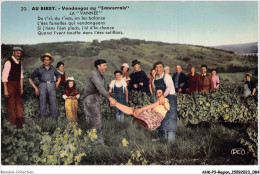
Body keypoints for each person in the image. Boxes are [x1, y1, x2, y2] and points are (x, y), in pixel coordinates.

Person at [81, 59, 116, 144]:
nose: (105, 67)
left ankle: (94, 139)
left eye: (105, 65)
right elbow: (100, 88)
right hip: (89, 99)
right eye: (104, 65)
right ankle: (97, 140)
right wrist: (110, 98)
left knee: (95, 119)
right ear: (98, 66)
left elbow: (101, 89)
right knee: (95, 119)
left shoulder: (100, 75)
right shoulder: (94, 74)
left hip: (94, 98)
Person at [28, 53, 61, 118]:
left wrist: (57, 82)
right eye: (45, 60)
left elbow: (58, 75)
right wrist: (36, 88)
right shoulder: (39, 69)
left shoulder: (53, 68)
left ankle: (53, 119)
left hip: (51, 85)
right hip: (42, 85)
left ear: (50, 61)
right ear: (43, 60)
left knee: (53, 103)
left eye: (48, 60)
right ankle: (42, 120)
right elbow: (30, 78)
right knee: (42, 103)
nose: (46, 61)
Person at [152, 61, 177, 143]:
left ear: (163, 68)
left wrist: (162, 96)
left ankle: (171, 140)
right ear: (154, 69)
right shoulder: (154, 79)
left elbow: (169, 88)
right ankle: (161, 138)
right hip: (159, 99)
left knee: (171, 118)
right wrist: (156, 101)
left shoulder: (167, 77)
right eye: (156, 67)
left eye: (160, 67)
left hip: (170, 98)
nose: (158, 69)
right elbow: (155, 90)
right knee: (159, 117)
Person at [2, 47, 24, 127]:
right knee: (11, 105)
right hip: (10, 85)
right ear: (13, 52)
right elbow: (4, 77)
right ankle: (13, 124)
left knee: (19, 104)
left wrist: (21, 88)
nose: (19, 55)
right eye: (17, 53)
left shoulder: (20, 62)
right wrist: (5, 89)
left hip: (18, 85)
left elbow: (21, 76)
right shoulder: (8, 62)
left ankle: (19, 124)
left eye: (20, 53)